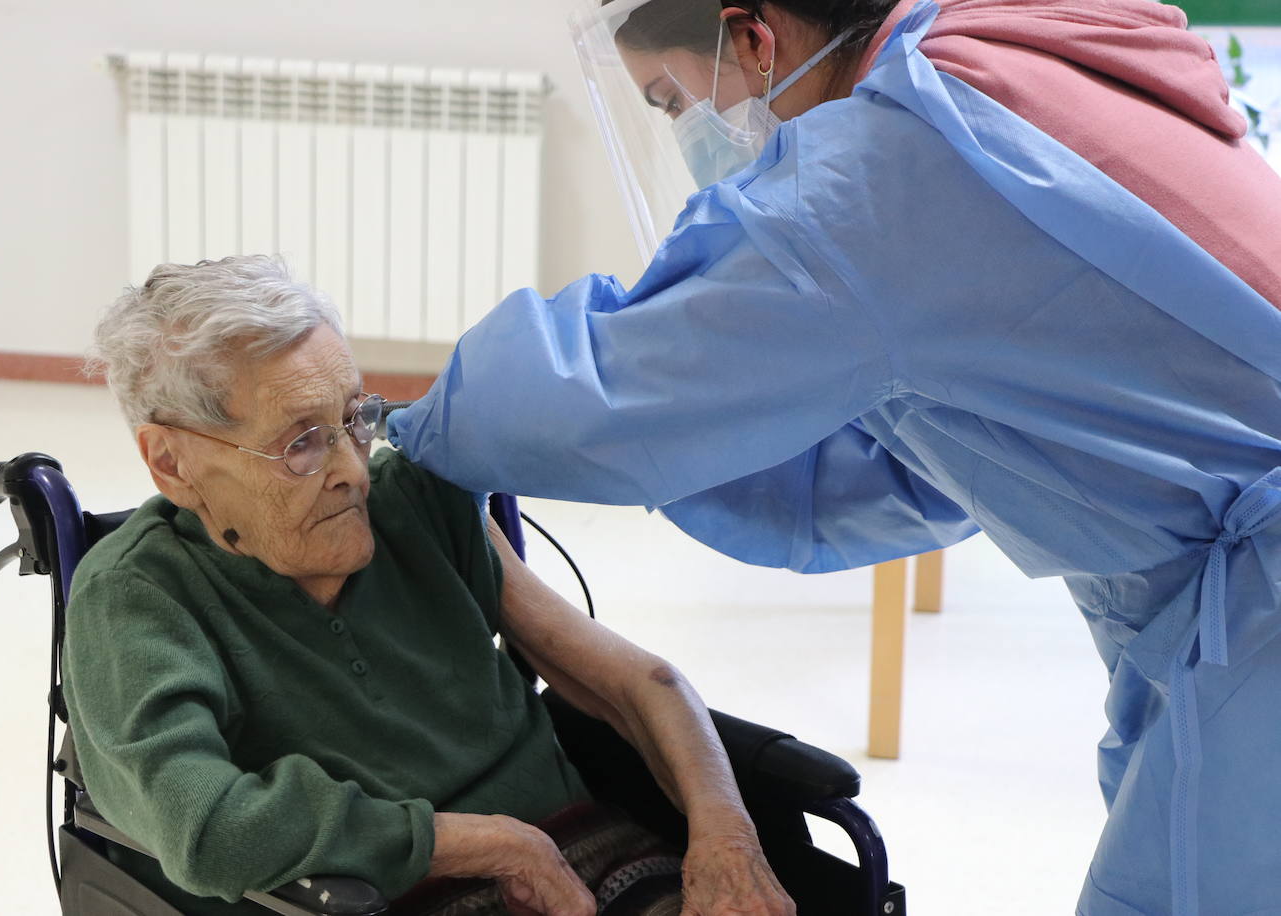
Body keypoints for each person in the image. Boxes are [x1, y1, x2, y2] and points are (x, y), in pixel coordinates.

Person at [387, 0, 1281, 913]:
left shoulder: (873, 180)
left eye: (668, 100)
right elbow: (940, 463)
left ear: (750, 39)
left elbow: (598, 395)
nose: (681, 134)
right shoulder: (997, 55)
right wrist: (719, 445)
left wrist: (402, 425)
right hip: (1220, 612)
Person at [66, 255, 795, 916]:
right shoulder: (136, 597)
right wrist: (493, 845)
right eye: (301, 442)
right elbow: (207, 827)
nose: (354, 469)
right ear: (171, 463)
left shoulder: (414, 501)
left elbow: (636, 685)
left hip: (602, 862)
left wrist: (727, 839)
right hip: (389, 899)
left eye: (353, 418)